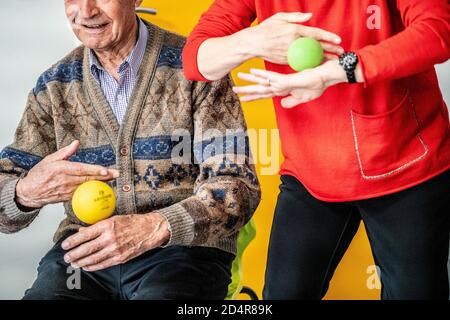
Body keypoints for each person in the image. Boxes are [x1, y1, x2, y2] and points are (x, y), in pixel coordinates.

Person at [182, 0, 450, 299]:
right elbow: (195, 60)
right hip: (311, 173)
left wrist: (338, 70)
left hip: (406, 166)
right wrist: (252, 41)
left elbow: (437, 32)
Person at [0, 0, 260, 300]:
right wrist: (25, 192)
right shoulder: (53, 86)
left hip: (181, 254)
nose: (86, 11)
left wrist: (155, 225)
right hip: (85, 257)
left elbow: (238, 189)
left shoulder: (197, 69)